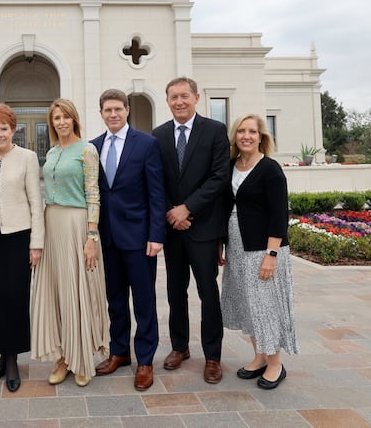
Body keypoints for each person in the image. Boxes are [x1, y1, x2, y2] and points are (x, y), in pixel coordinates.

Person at [152, 77, 230, 384]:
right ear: (168, 100)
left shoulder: (214, 131)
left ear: (196, 97)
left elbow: (219, 176)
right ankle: (180, 347)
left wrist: (189, 208)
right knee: (175, 292)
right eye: (174, 97)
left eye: (185, 96)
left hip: (205, 228)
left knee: (208, 293)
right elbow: (156, 181)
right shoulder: (157, 136)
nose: (179, 101)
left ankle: (212, 356)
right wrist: (172, 213)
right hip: (173, 229)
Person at [31, 98, 109, 388]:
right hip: (52, 225)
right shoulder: (51, 152)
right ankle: (63, 357)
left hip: (77, 225)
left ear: (74, 119)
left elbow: (93, 194)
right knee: (58, 293)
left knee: (79, 291)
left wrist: (91, 236)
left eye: (65, 117)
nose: (61, 122)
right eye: (56, 118)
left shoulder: (87, 150)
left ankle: (81, 359)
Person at [91, 89, 166, 391]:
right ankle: (119, 351)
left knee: (144, 300)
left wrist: (156, 235)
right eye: (107, 110)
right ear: (101, 113)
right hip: (106, 238)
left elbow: (156, 193)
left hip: (139, 238)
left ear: (126, 111)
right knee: (116, 299)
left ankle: (145, 359)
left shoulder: (146, 144)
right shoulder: (93, 147)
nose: (113, 114)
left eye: (118, 109)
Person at [221, 114, 299, 389]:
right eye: (241, 131)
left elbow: (279, 214)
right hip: (237, 246)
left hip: (263, 248)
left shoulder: (270, 169)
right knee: (247, 304)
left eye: (252, 131)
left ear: (261, 137)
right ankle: (259, 356)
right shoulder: (231, 166)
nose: (246, 136)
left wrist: (272, 254)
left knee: (266, 306)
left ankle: (275, 364)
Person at [0, 104, 44, 393]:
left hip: (18, 237)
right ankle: (1, 357)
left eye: (4, 128)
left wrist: (36, 243)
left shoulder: (27, 158)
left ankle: (14, 359)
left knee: (15, 297)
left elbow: (35, 202)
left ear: (13, 130)